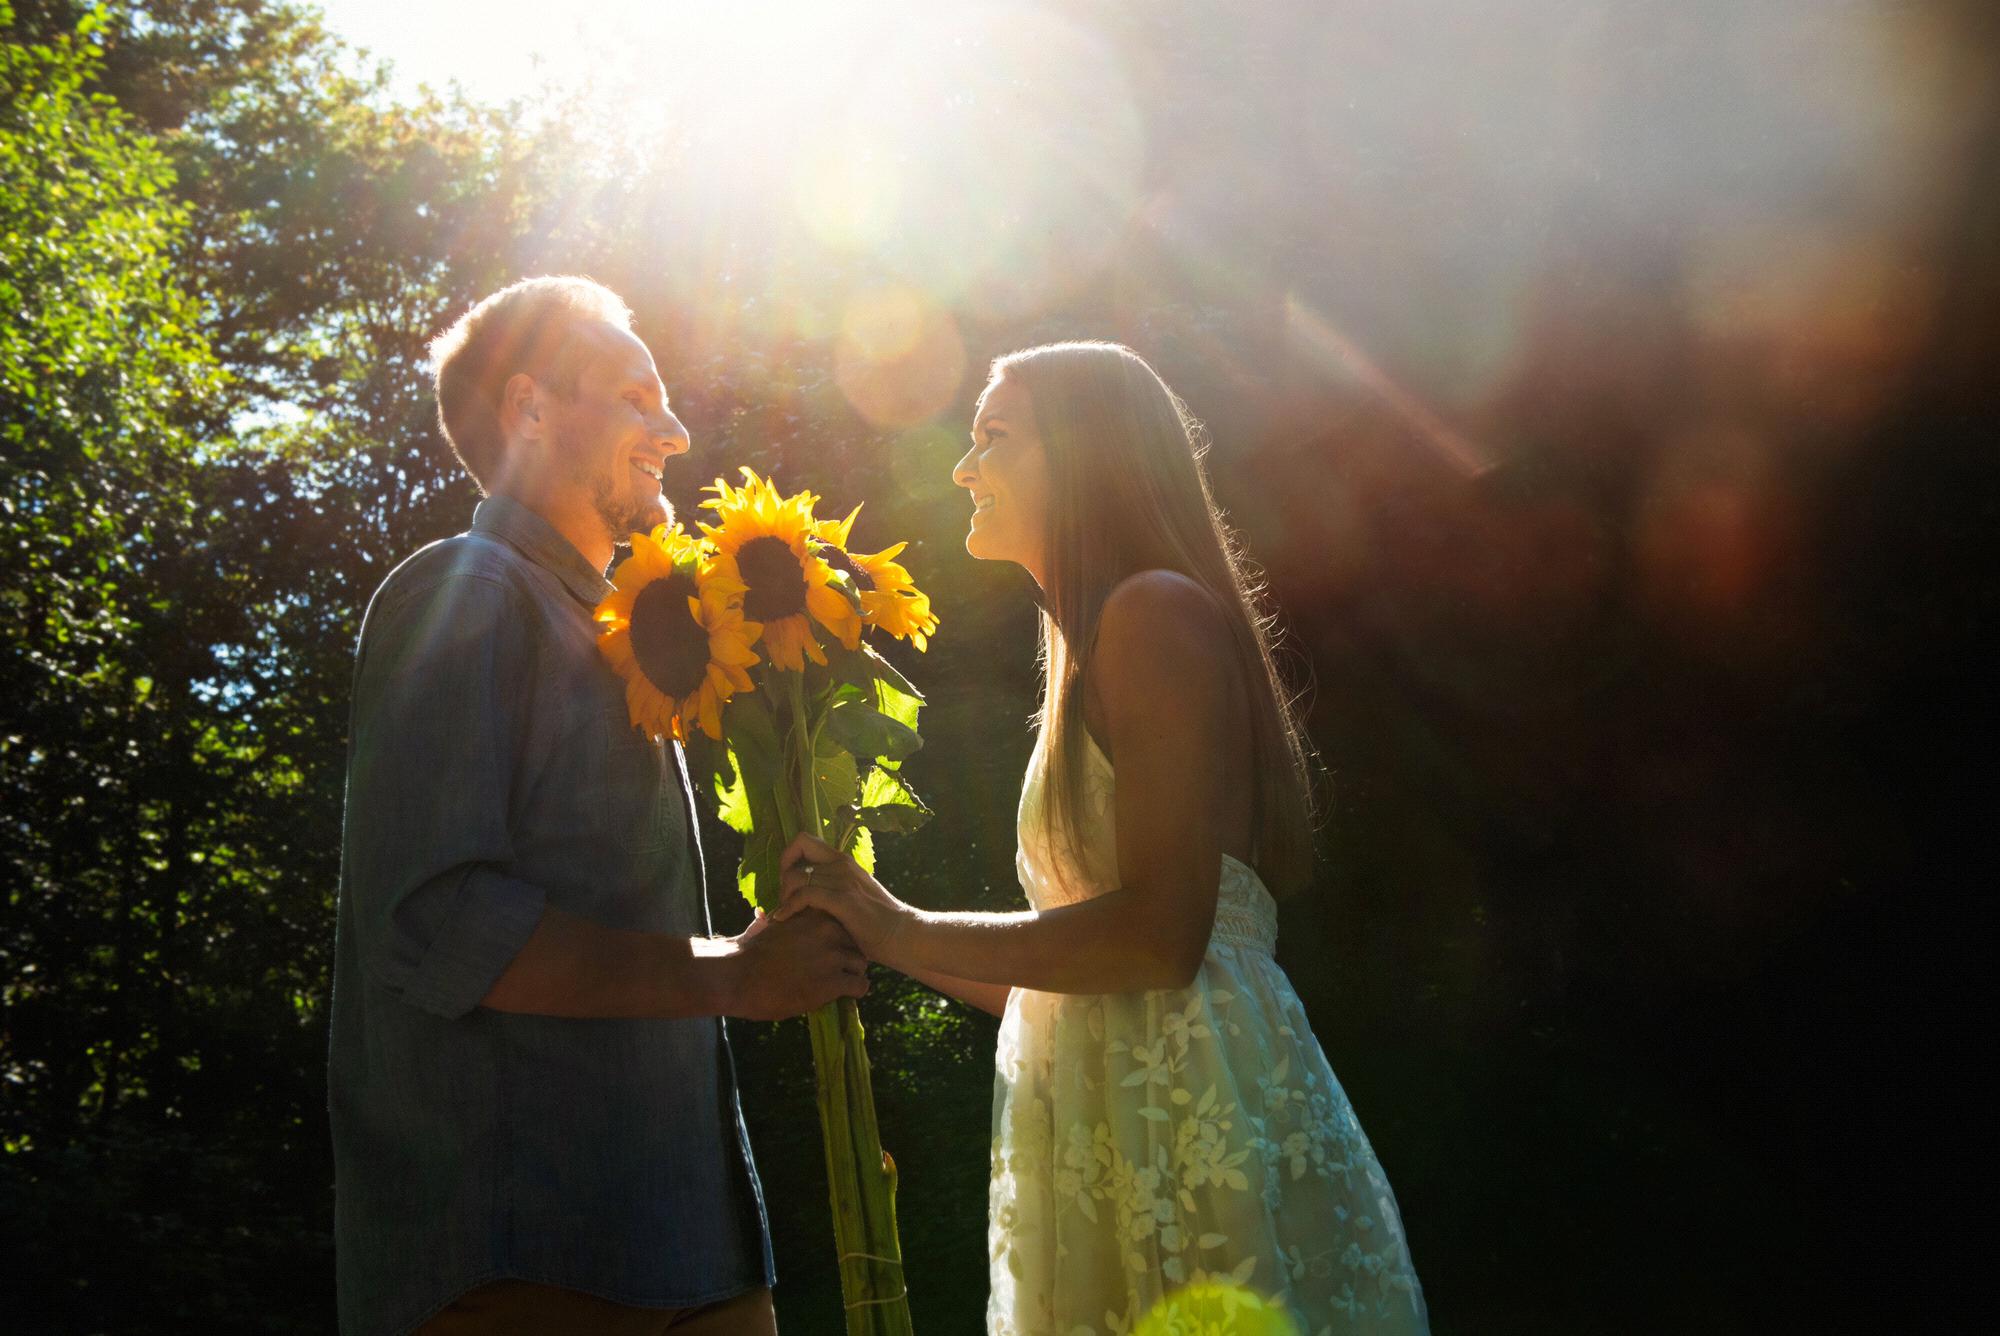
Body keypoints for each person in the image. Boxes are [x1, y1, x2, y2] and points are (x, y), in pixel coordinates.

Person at [774, 342, 1429, 1333]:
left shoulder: (1151, 613)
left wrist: (901, 924)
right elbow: (1067, 984)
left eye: (992, 435)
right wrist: (872, 935)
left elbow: (1159, 941)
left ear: (1085, 457)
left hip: (1188, 1135)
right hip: (1120, 1132)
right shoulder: (1099, 641)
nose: (960, 468)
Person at [328, 276, 868, 1336]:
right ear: (530, 409)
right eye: (634, 396)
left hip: (693, 1247)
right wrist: (731, 972)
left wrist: (752, 948)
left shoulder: (627, 643)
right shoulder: (467, 591)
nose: (671, 429)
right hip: (526, 1254)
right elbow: (441, 924)